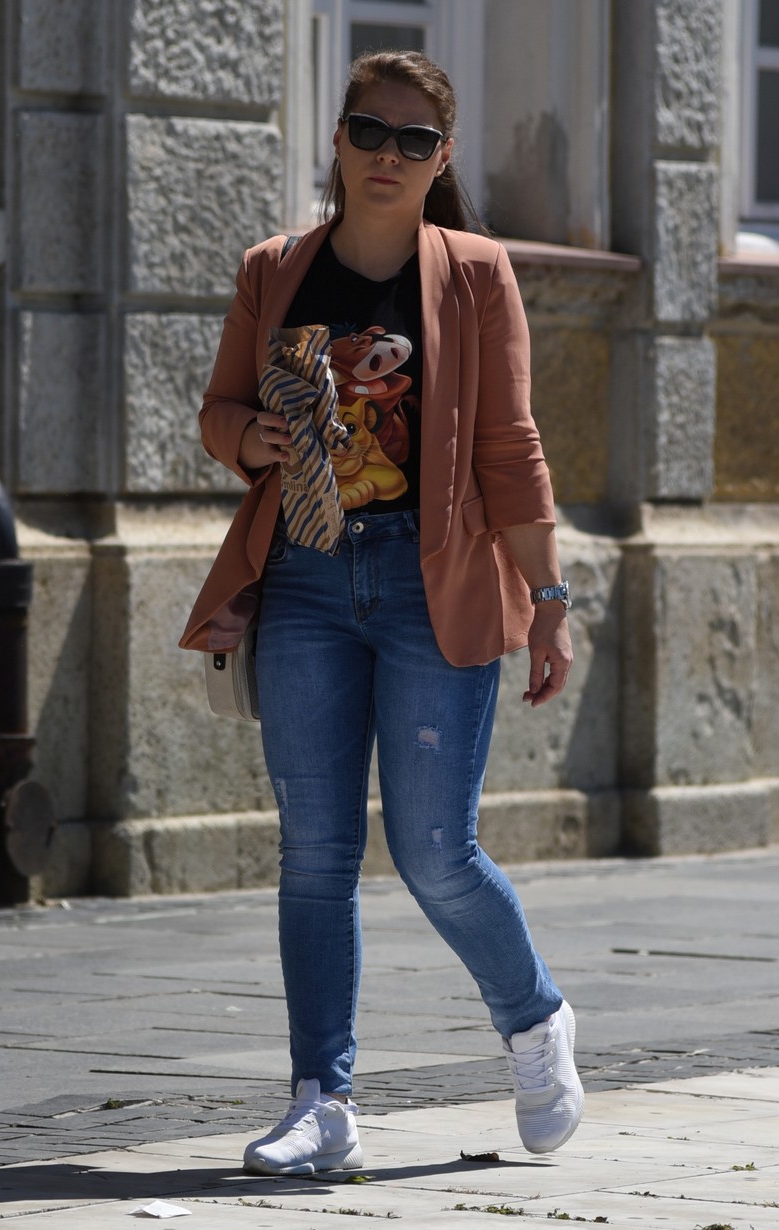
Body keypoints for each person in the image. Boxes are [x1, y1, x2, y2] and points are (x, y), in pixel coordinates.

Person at [180, 48, 583, 1176]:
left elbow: (510, 445)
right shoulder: (275, 269)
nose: (387, 156)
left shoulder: (475, 273)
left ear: (441, 157)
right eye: (370, 131)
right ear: (339, 139)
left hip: (430, 583)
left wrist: (549, 598)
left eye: (414, 140)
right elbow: (217, 411)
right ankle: (323, 1101)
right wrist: (250, 437)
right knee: (314, 850)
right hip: (306, 579)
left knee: (435, 850)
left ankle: (535, 1020)